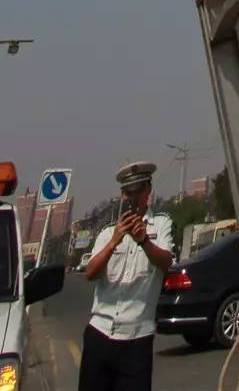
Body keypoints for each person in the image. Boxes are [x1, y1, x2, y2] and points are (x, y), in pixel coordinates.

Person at [78, 161, 174, 391]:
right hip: (100, 333)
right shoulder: (108, 231)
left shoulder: (161, 224)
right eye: (128, 193)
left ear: (148, 191)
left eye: (138, 192)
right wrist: (114, 241)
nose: (133, 199)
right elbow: (90, 273)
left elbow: (165, 263)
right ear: (122, 196)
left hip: (136, 340)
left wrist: (144, 241)